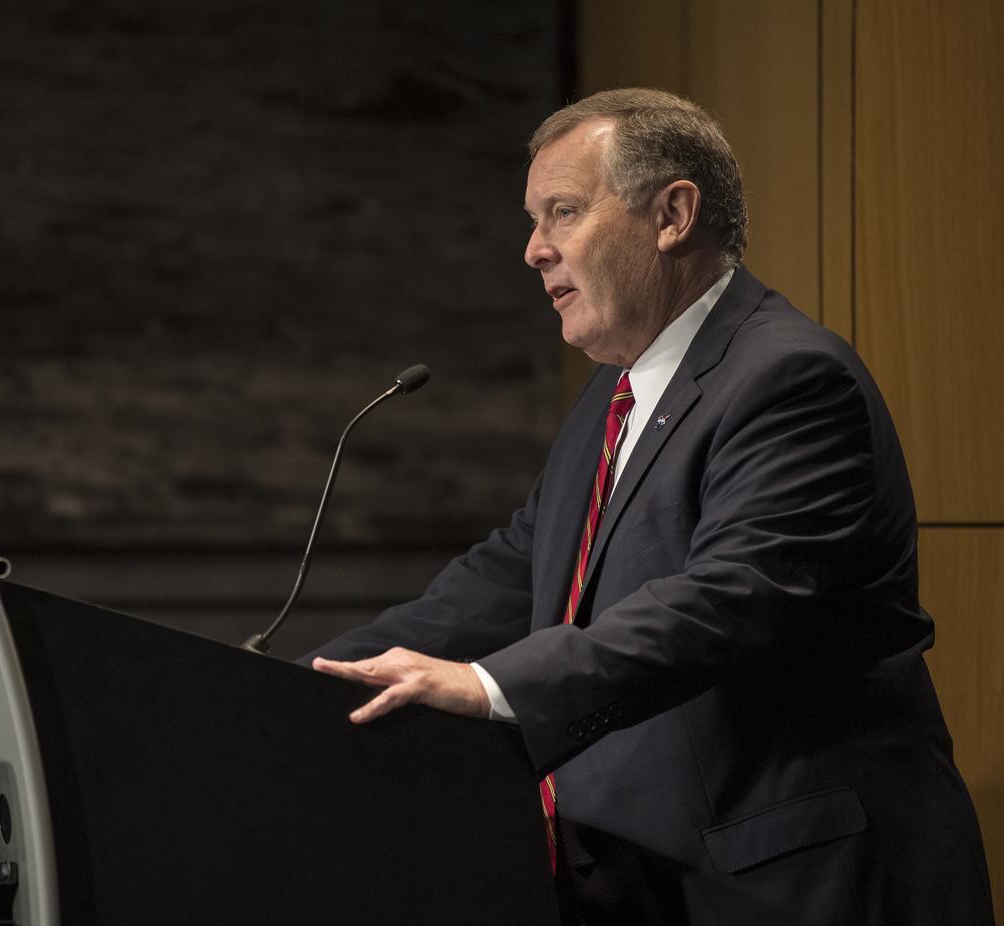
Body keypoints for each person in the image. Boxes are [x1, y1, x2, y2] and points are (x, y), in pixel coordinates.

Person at [307, 88, 993, 925]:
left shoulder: (790, 379)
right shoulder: (615, 393)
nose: (533, 250)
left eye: (562, 213)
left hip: (796, 882)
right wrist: (308, 681)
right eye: (534, 220)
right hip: (647, 879)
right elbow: (514, 568)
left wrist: (487, 684)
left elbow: (728, 599)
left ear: (672, 215)